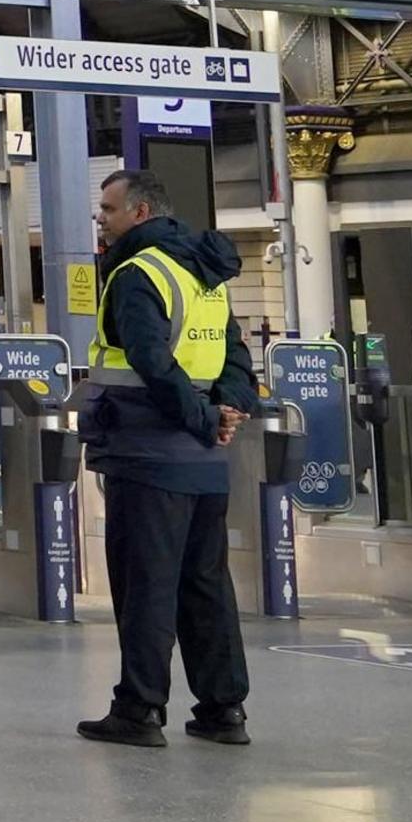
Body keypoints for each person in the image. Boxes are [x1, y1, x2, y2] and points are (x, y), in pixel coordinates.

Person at [77, 167, 262, 747]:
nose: (100, 220)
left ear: (140, 212)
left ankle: (138, 710)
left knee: (146, 585)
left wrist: (206, 418)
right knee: (206, 584)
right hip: (205, 461)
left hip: (146, 452)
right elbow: (233, 350)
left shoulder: (136, 272)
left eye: (107, 209)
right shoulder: (202, 271)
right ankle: (223, 708)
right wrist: (225, 411)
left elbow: (153, 363)